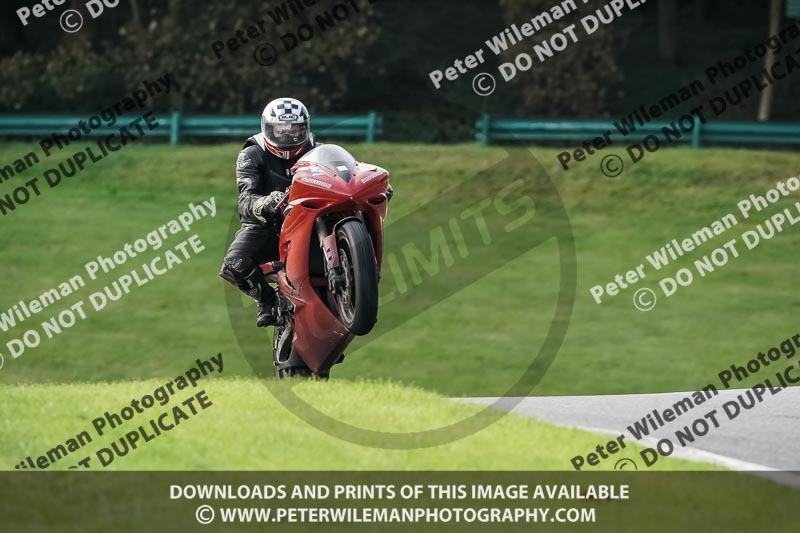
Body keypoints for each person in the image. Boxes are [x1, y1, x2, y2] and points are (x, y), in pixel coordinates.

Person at [219, 97, 316, 326]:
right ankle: (266, 299)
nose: (287, 135)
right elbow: (245, 198)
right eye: (280, 129)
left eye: (294, 129)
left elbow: (342, 169)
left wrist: (360, 180)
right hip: (267, 225)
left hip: (310, 221)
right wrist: (264, 204)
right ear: (267, 127)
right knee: (234, 264)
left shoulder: (316, 149)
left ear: (305, 128)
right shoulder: (252, 153)